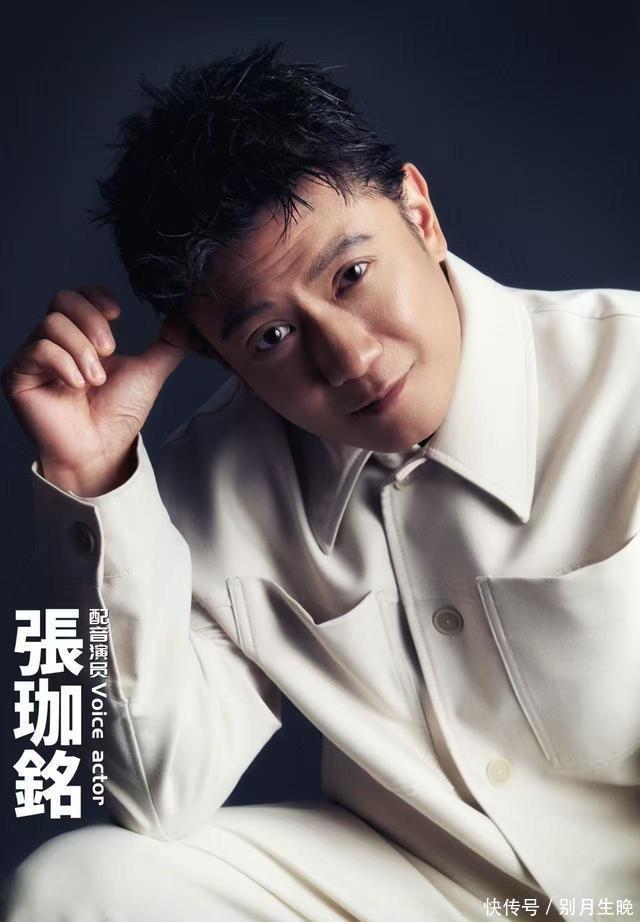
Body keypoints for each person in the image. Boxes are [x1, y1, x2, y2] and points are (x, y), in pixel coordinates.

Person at [1, 41, 638, 922]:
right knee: (79, 883)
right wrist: (90, 476)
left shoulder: (624, 375)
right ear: (214, 354)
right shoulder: (208, 485)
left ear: (420, 215)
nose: (349, 358)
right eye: (270, 336)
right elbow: (155, 794)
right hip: (424, 888)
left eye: (352, 276)